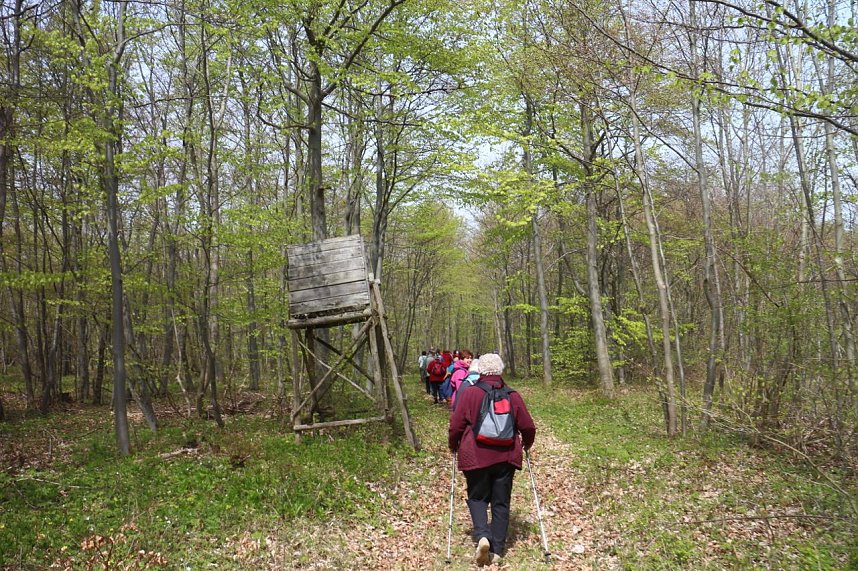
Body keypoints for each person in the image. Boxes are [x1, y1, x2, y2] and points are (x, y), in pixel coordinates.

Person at [448, 353, 536, 566]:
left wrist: (453, 445)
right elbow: (528, 426)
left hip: (475, 455)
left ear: (480, 370)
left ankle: (482, 536)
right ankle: (497, 551)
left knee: (477, 497)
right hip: (506, 457)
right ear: (500, 370)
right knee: (501, 501)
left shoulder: (470, 393)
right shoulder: (512, 395)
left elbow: (456, 425)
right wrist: (527, 444)